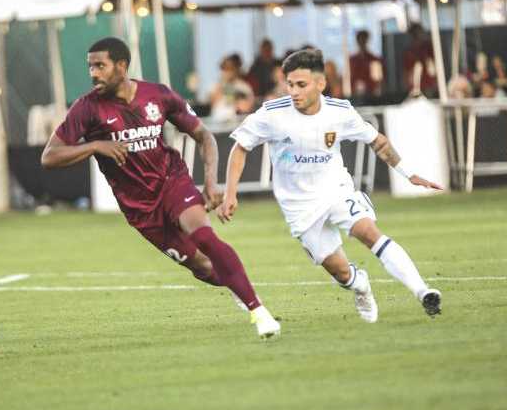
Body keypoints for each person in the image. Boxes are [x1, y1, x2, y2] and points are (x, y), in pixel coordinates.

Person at [41, 37, 281, 338]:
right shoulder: (86, 108)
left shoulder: (157, 95)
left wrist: (210, 181)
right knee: (203, 267)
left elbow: (204, 136)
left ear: (122, 66)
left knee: (203, 235)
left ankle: (259, 312)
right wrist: (95, 146)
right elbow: (49, 156)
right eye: (90, 67)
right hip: (140, 208)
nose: (94, 74)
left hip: (172, 181)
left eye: (100, 66)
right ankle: (238, 287)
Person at [218, 49, 444, 322]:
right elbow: (240, 147)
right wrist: (230, 193)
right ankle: (360, 284)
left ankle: (423, 291)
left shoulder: (340, 112)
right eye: (290, 84)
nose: (294, 92)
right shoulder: (272, 114)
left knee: (368, 231)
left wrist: (408, 173)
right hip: (298, 205)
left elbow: (378, 141)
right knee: (340, 272)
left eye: (301, 85)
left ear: (320, 83)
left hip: (335, 189)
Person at [209, 53, 255, 121]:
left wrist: (238, 103)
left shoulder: (243, 87)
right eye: (224, 69)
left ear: (235, 69)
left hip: (236, 122)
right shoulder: (216, 86)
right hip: (218, 122)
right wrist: (221, 86)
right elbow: (212, 103)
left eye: (230, 69)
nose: (227, 72)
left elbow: (248, 106)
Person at [402, 23, 437, 98]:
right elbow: (406, 71)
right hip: (414, 89)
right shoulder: (409, 51)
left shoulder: (427, 48)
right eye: (414, 34)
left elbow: (432, 69)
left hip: (428, 86)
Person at [349, 30, 384, 101]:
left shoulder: (374, 59)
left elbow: (378, 80)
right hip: (355, 96)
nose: (361, 42)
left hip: (371, 96)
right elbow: (350, 78)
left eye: (363, 39)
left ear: (367, 40)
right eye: (360, 40)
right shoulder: (352, 60)